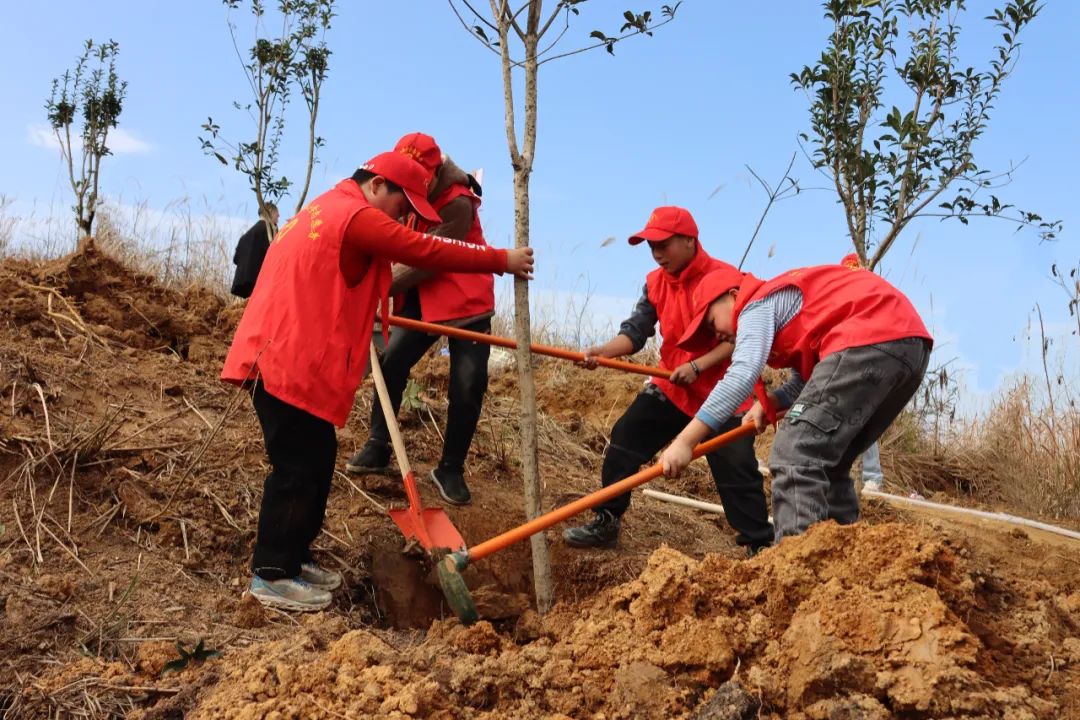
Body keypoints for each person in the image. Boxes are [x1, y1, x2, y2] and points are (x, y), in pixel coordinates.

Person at [221, 150, 535, 612]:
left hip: (287, 356)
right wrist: (500, 259)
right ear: (377, 185)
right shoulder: (355, 215)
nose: (406, 218)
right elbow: (427, 250)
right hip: (283, 360)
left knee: (319, 456)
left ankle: (295, 558)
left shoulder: (326, 208)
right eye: (403, 205)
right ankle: (271, 573)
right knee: (296, 468)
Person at [659, 263, 932, 542]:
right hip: (909, 347)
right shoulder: (792, 313)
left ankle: (794, 565)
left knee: (795, 452)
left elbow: (741, 374)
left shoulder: (755, 303)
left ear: (732, 296)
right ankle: (846, 561)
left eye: (711, 323)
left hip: (868, 335)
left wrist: (685, 442)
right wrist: (772, 402)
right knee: (829, 461)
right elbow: (809, 380)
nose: (715, 336)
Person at [561, 206, 773, 555]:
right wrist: (602, 352)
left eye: (664, 244)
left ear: (690, 240)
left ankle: (759, 545)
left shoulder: (725, 280)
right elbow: (635, 334)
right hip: (673, 387)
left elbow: (739, 340)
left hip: (726, 391)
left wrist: (699, 366)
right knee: (626, 437)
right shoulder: (655, 283)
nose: (657, 253)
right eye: (651, 246)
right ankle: (607, 522)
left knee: (735, 465)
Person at [346, 133, 494, 506]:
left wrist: (379, 285)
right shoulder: (402, 190)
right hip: (419, 296)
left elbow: (433, 258)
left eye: (420, 175)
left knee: (468, 381)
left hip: (464, 299)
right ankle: (378, 445)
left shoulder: (458, 202)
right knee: (392, 359)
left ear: (436, 169)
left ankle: (451, 468)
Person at [839, 252, 885, 492]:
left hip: (869, 362)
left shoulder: (873, 299)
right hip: (845, 363)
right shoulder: (840, 301)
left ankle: (872, 477)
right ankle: (842, 475)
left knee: (865, 418)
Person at [230, 203, 280, 298]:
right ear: (269, 212)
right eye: (276, 213)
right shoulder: (272, 231)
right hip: (261, 284)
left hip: (242, 285)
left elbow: (236, 260)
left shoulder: (245, 236)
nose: (278, 215)